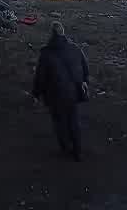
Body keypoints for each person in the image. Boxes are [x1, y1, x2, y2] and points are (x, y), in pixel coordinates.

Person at [32, 21, 90, 161]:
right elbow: (85, 68)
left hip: (55, 95)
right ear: (63, 32)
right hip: (73, 92)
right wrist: (84, 83)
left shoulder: (46, 53)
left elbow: (40, 77)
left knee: (60, 122)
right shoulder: (75, 48)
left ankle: (65, 148)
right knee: (74, 121)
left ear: (50, 35)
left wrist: (36, 93)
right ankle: (77, 151)